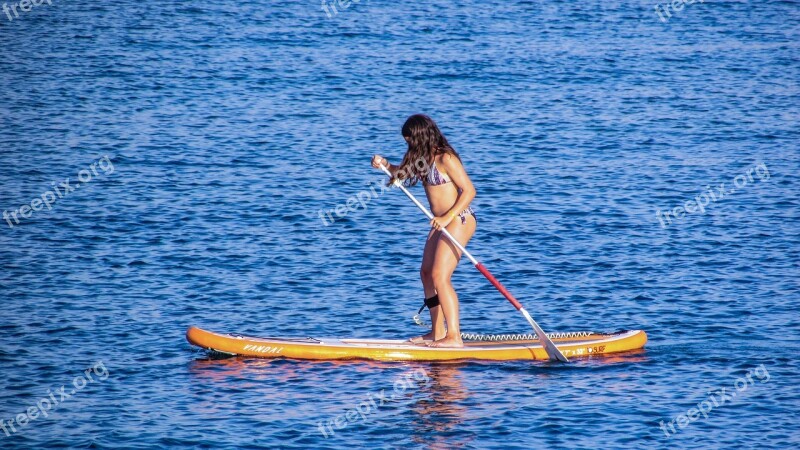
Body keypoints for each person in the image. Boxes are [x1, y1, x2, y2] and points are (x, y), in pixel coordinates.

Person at [371, 114, 477, 348]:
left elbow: (469, 191)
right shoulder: (423, 159)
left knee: (440, 275)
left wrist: (447, 216)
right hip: (439, 222)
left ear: (421, 136)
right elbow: (400, 174)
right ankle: (437, 332)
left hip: (458, 219)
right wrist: (385, 165)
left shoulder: (446, 158)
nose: (409, 145)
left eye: (410, 141)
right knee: (426, 273)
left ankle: (454, 337)